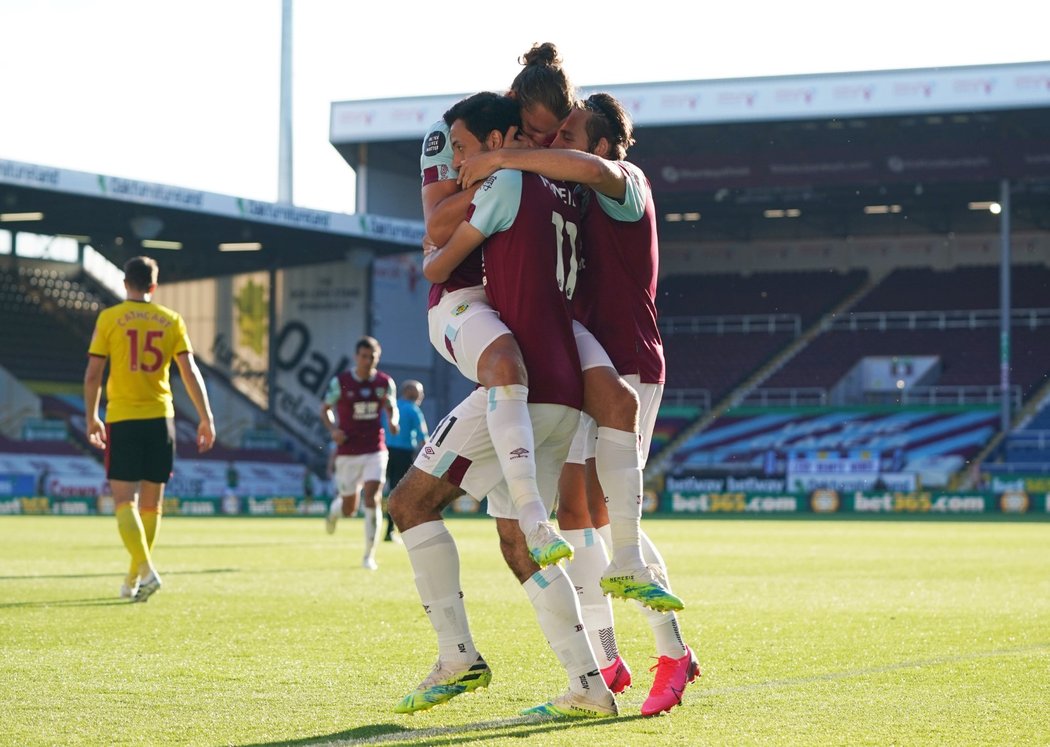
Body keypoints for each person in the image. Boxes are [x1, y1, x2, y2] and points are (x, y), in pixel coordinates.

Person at [457, 93, 698, 716]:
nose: (557, 143)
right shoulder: (571, 196)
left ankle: (672, 653)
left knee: (609, 514)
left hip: (630, 366)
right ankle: (607, 655)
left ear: (600, 143)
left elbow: (593, 171)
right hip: (590, 363)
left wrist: (505, 156)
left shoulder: (625, 179)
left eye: (569, 134)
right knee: (579, 511)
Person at [390, 92, 616, 720]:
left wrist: (438, 257)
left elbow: (442, 240)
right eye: (543, 126)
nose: (550, 136)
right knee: (516, 544)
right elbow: (441, 216)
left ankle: (457, 656)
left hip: (521, 381)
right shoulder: (551, 179)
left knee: (408, 504)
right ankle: (588, 683)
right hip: (561, 388)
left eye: (556, 128)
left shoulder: (514, 174)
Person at [418, 42, 577, 567]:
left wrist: (511, 162)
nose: (542, 146)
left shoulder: (523, 156)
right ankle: (537, 512)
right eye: (533, 136)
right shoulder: (449, 136)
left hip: (512, 309)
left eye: (552, 138)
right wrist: (499, 170)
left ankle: (595, 647)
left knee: (514, 543)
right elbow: (436, 227)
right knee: (506, 365)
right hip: (462, 301)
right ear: (512, 114)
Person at [83, 255, 215, 602]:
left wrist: (91, 416)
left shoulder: (110, 318)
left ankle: (144, 571)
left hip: (122, 418)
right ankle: (134, 579)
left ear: (125, 282)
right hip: (161, 418)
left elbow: (94, 373)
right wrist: (206, 416)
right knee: (152, 505)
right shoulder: (171, 320)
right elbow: (189, 372)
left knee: (124, 501)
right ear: (154, 287)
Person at [320, 335, 399, 571]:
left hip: (375, 448)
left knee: (373, 496)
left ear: (377, 358)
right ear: (357, 357)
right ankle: (335, 512)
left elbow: (391, 406)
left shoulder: (384, 382)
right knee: (349, 509)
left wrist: (393, 421)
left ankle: (368, 556)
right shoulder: (341, 381)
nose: (368, 361)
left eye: (372, 357)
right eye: (364, 356)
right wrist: (334, 430)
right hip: (348, 451)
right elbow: (325, 409)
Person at [381, 379, 428, 542]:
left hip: (384, 451)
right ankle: (395, 530)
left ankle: (385, 528)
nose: (422, 395)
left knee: (384, 490)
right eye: (419, 392)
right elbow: (423, 439)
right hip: (403, 454)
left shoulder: (389, 408)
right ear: (409, 392)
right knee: (401, 493)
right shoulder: (413, 410)